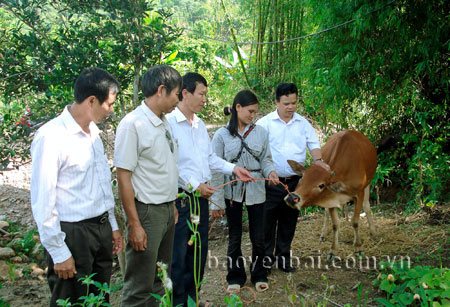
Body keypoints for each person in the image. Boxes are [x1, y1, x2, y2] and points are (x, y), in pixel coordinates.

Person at [30, 67, 123, 307]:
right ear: (92, 100)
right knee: (70, 298)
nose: (111, 111)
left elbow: (102, 185)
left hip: (99, 230)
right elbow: (43, 201)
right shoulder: (51, 137)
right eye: (109, 104)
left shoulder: (93, 133)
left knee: (99, 297)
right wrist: (59, 252)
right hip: (72, 234)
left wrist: (111, 225)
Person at [166, 73, 254, 306]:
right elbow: (169, 164)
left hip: (200, 200)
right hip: (181, 200)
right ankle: (178, 302)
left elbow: (210, 158)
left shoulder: (199, 124)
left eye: (206, 94)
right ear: (185, 93)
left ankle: (193, 298)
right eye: (201, 94)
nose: (205, 99)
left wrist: (234, 169)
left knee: (198, 253)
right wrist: (196, 186)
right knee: (179, 255)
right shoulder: (170, 124)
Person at [114, 65, 181, 306]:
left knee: (161, 279)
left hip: (165, 210)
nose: (178, 100)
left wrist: (171, 203)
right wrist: (134, 224)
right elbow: (124, 176)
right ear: (162, 90)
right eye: (176, 94)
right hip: (146, 212)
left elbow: (164, 167)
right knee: (140, 285)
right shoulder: (133, 124)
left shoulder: (163, 122)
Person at [210, 90, 279, 293]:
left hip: (257, 190)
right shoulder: (221, 136)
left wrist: (272, 172)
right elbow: (215, 168)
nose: (253, 116)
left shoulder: (261, 133)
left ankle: (259, 274)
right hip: (232, 192)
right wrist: (217, 201)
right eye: (250, 111)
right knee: (234, 236)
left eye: (255, 112)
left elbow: (266, 159)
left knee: (259, 236)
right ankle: (235, 277)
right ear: (237, 107)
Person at [256, 83, 329, 273]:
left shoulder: (302, 123)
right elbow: (257, 149)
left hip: (295, 184)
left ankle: (283, 258)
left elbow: (313, 144)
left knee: (289, 222)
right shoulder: (265, 123)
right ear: (277, 102)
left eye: (294, 103)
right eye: (286, 103)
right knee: (267, 222)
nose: (290, 107)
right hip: (271, 182)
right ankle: (265, 260)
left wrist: (319, 160)